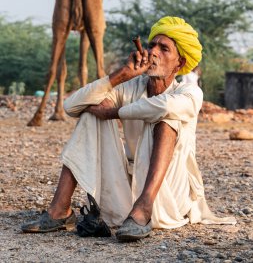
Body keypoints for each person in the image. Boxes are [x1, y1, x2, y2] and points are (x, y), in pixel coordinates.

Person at [21, 16, 236, 240]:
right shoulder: (131, 87)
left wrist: (114, 112)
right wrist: (122, 75)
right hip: (127, 192)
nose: (154, 52)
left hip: (170, 196)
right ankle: (60, 211)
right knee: (90, 114)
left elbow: (164, 105)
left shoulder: (189, 92)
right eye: (153, 45)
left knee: (167, 119)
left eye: (164, 49)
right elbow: (71, 105)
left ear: (179, 64)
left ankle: (144, 209)